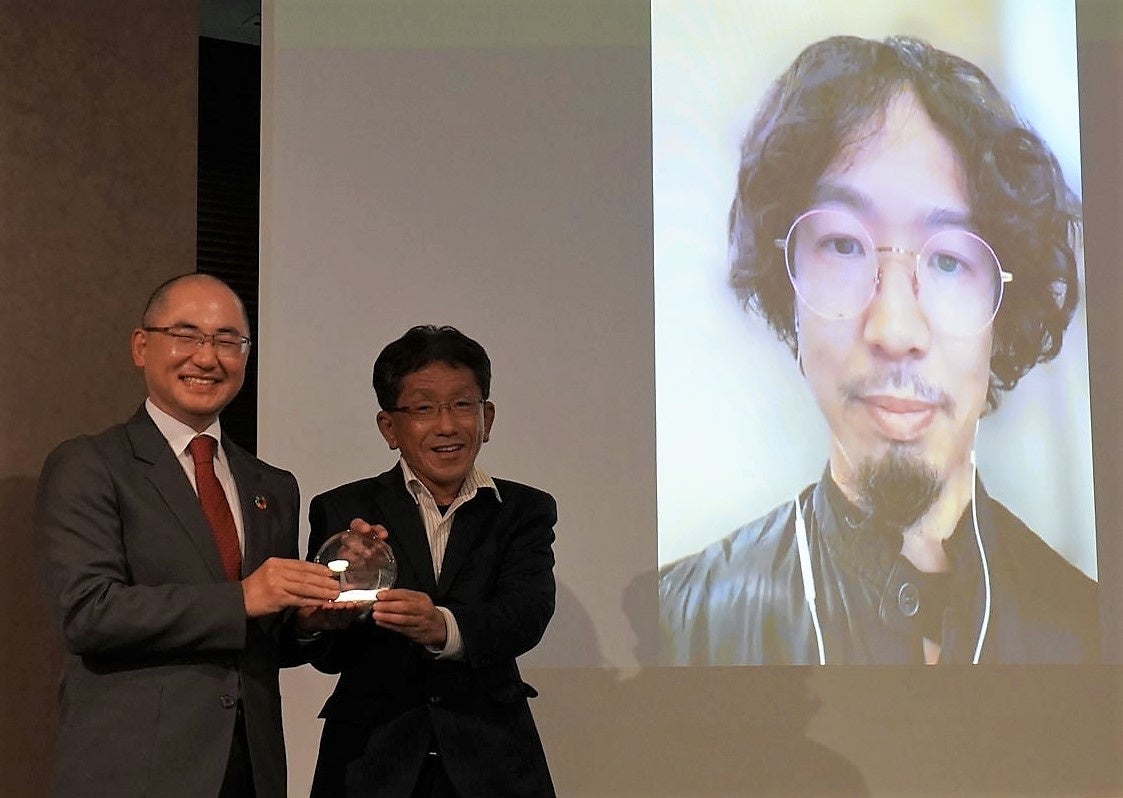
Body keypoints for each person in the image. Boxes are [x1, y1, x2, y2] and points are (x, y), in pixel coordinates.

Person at [659, 35, 1099, 665]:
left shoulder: (1092, 637)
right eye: (843, 245)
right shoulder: (678, 631)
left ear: (1003, 312)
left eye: (949, 260)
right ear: (789, 284)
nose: (894, 329)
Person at [37, 273, 345, 797]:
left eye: (228, 340)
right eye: (186, 335)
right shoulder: (90, 465)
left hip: (252, 771)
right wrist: (242, 598)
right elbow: (87, 613)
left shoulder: (272, 484)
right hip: (133, 774)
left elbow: (263, 639)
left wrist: (311, 622)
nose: (207, 357)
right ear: (141, 346)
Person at [304, 324, 557, 797]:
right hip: (369, 763)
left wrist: (443, 627)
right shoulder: (343, 511)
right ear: (389, 427)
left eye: (462, 404)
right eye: (423, 408)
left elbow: (526, 614)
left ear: (487, 417)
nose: (447, 425)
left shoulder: (524, 510)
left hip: (493, 762)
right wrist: (330, 613)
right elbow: (326, 654)